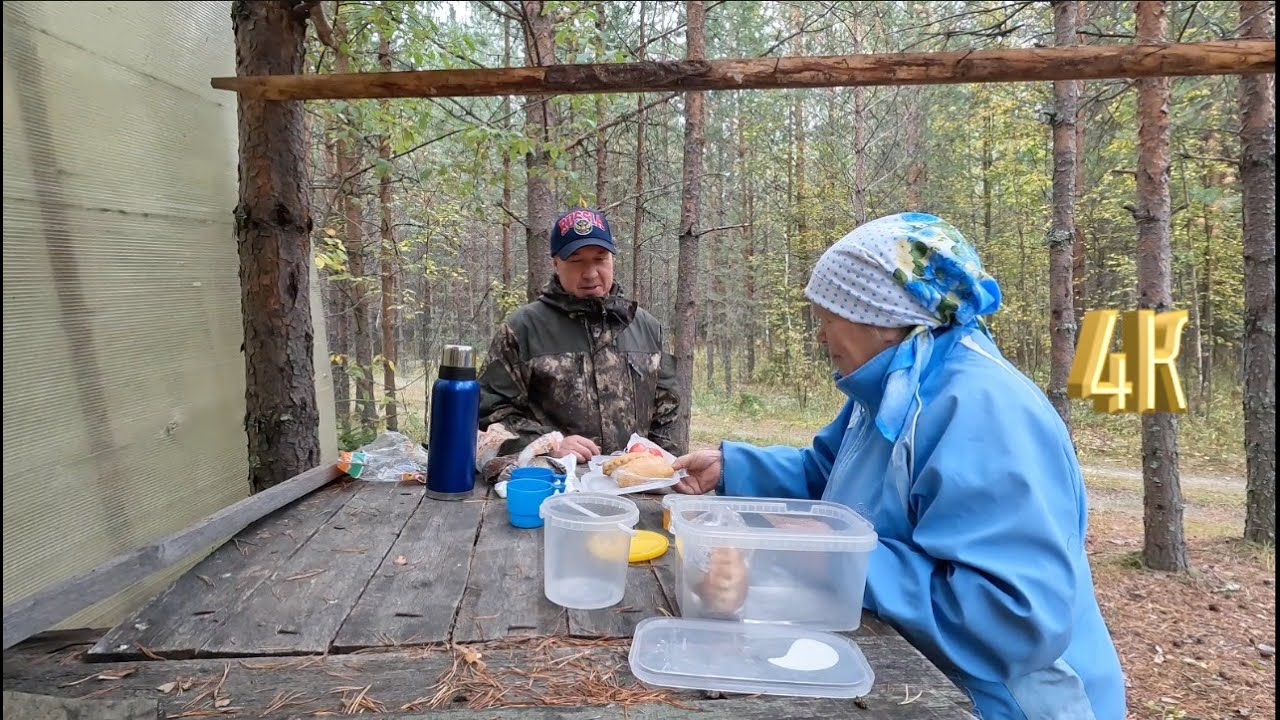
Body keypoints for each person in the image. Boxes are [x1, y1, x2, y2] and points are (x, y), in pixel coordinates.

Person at [673, 212, 1126, 720]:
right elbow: (831, 478)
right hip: (919, 669)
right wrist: (731, 467)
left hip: (1007, 700)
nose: (821, 337)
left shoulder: (981, 411)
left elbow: (1010, 618)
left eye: (828, 317)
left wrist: (844, 559)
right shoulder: (894, 388)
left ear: (881, 317)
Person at [477, 207, 681, 464]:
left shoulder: (646, 327)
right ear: (556, 263)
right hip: (556, 483)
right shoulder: (524, 328)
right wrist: (549, 443)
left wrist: (662, 466)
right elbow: (488, 414)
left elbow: (666, 415)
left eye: (600, 259)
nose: (590, 273)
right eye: (576, 261)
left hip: (631, 484)